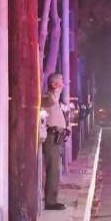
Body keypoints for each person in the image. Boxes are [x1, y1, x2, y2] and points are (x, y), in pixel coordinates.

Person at [41, 73, 69, 210]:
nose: (63, 84)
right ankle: (50, 201)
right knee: (52, 170)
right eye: (60, 82)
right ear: (53, 84)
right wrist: (57, 91)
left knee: (55, 170)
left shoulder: (55, 99)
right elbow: (50, 101)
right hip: (51, 137)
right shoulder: (48, 97)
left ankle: (53, 199)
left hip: (57, 138)